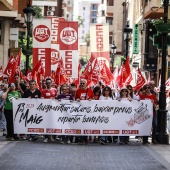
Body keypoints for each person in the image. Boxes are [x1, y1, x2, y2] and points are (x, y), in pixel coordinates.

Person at [75, 79, 94, 144]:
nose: (82, 84)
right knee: (81, 125)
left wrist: (91, 99)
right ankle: (81, 139)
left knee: (86, 125)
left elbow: (93, 99)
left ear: (86, 84)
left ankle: (85, 139)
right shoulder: (78, 91)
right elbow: (76, 99)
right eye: (81, 83)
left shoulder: (90, 91)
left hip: (87, 111)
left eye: (83, 83)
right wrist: (77, 99)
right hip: (80, 111)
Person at [41, 78, 58, 143]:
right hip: (46, 110)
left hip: (54, 110)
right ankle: (47, 137)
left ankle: (53, 136)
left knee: (54, 123)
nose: (48, 84)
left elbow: (57, 98)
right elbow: (41, 100)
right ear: (45, 83)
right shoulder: (43, 91)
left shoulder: (55, 90)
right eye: (47, 83)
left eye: (49, 83)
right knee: (46, 123)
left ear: (51, 83)